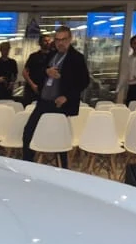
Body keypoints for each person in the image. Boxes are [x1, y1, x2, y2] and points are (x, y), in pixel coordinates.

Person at [21, 27, 89, 166]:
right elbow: (37, 73)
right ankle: (27, 165)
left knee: (59, 139)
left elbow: (84, 81)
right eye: (57, 40)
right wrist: (47, 72)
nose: (60, 43)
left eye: (63, 39)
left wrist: (67, 97)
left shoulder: (76, 57)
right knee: (28, 132)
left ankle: (62, 168)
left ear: (70, 39)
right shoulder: (51, 55)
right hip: (43, 101)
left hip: (60, 104)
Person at [21, 34, 51, 105]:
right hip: (32, 89)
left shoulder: (54, 56)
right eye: (45, 41)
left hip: (46, 90)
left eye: (49, 41)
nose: (47, 42)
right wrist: (32, 85)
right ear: (40, 43)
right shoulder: (34, 56)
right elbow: (24, 72)